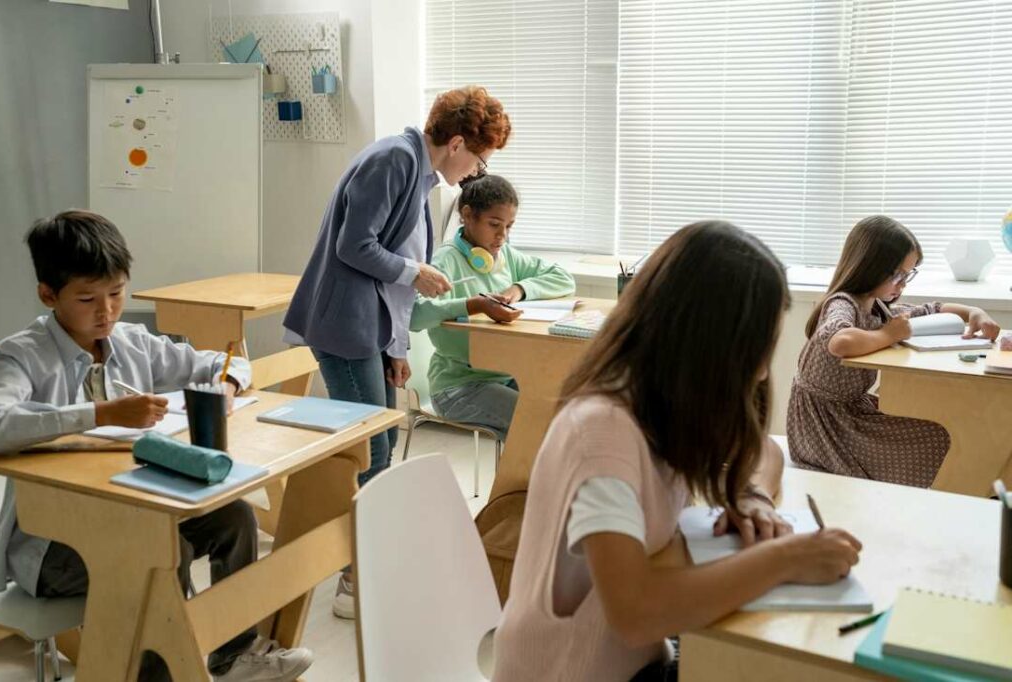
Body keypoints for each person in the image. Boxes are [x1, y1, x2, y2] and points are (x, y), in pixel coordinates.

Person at [492, 221, 862, 681]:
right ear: (710, 349)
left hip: (637, 663)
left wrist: (751, 496)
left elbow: (764, 451)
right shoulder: (602, 433)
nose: (763, 373)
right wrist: (786, 558)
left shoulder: (662, 404)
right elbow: (634, 613)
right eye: (759, 351)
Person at [0, 210, 313, 682]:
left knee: (235, 518)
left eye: (117, 294)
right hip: (52, 545)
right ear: (48, 295)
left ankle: (234, 654)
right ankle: (162, 673)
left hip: (136, 511)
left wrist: (224, 386)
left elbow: (221, 363)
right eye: (87, 299)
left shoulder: (131, 341)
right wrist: (99, 415)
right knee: (163, 553)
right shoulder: (22, 354)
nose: (106, 312)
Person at [283, 86, 511, 618]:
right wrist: (417, 273)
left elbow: (386, 261)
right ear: (456, 143)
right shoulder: (392, 160)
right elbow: (354, 247)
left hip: (370, 327)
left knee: (383, 442)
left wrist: (395, 345)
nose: (477, 171)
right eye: (478, 158)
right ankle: (353, 580)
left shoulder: (413, 168)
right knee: (374, 452)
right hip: (344, 326)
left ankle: (371, 567)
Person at [788, 215, 1000, 487]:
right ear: (868, 267)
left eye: (908, 274)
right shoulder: (843, 303)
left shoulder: (876, 305)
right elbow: (839, 341)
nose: (903, 284)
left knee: (945, 427)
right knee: (939, 440)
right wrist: (888, 335)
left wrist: (974, 312)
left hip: (850, 413)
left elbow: (931, 309)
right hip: (826, 426)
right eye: (897, 275)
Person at [410, 174, 575, 439]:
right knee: (541, 425)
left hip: (504, 376)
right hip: (459, 386)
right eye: (494, 224)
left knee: (566, 411)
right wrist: (474, 304)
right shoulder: (445, 260)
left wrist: (519, 289)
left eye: (509, 226)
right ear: (467, 215)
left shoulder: (504, 254)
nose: (502, 235)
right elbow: (415, 316)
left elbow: (563, 278)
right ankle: (522, 481)